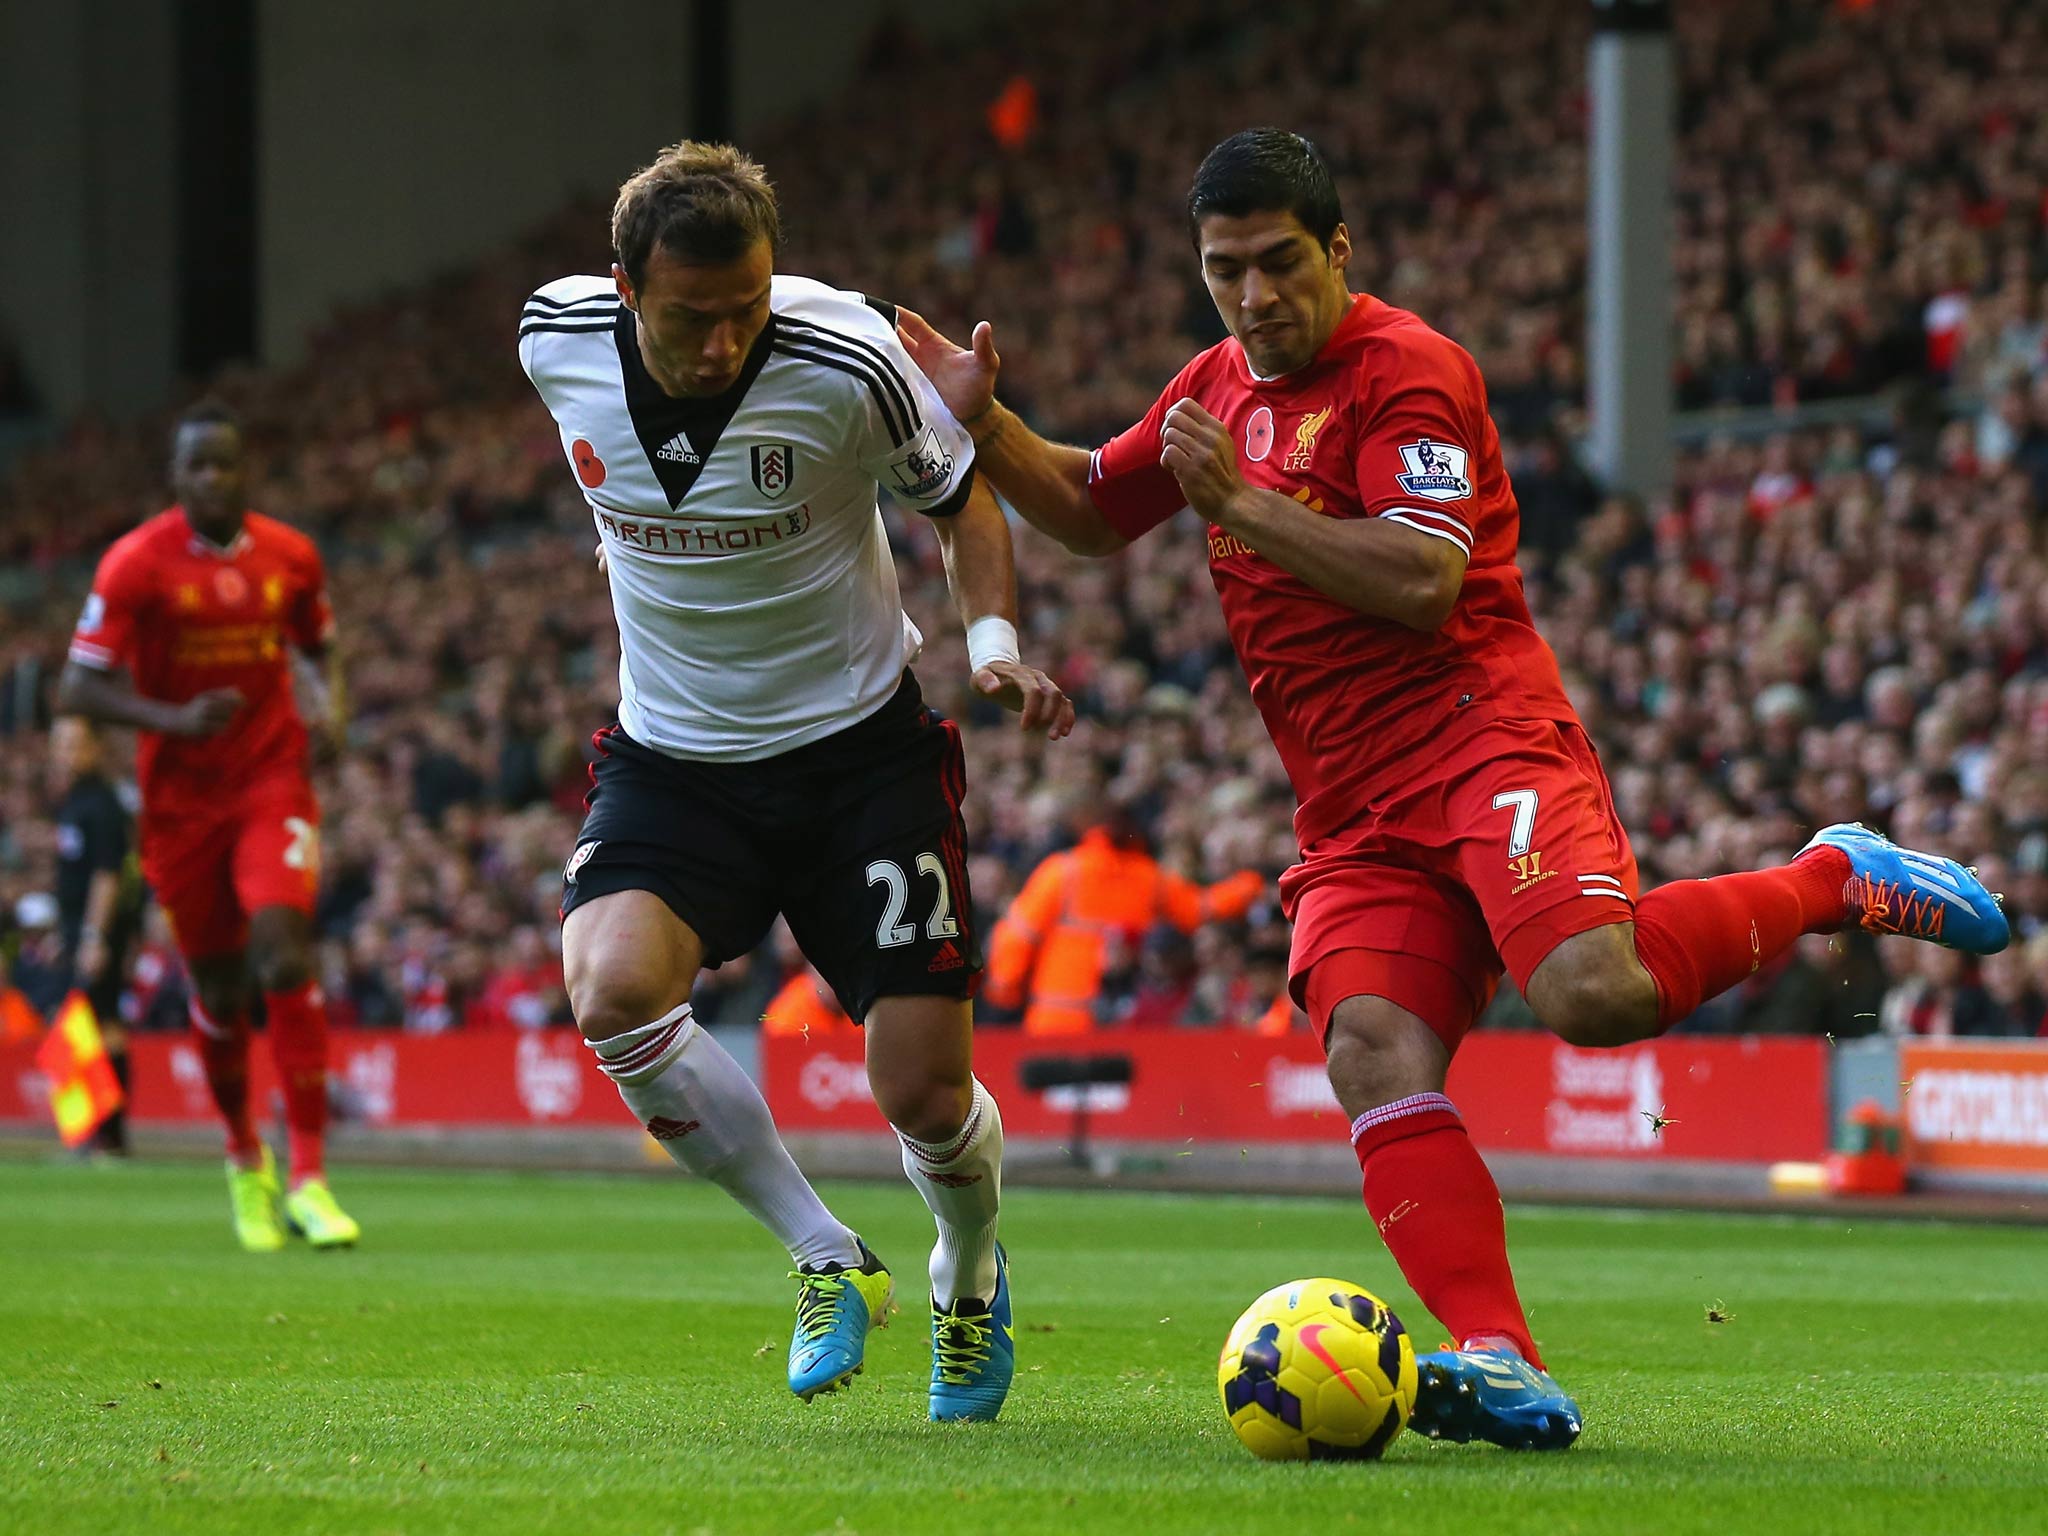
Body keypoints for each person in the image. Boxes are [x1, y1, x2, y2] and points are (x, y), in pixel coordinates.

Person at [897, 127, 2011, 1449]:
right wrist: (990, 425)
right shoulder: (1217, 383)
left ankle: (1833, 879)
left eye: (1276, 263)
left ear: (1339, 251)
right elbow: (1090, 507)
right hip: (1351, 810)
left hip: (1482, 739)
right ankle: (1503, 1355)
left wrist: (1245, 509)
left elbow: (1424, 581)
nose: (1253, 297)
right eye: (1223, 270)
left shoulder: (1408, 372)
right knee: (1370, 1051)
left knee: (1591, 996)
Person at [518, 141, 1074, 1422]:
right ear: (621, 289)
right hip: (676, 759)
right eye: (689, 318)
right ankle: (827, 1255)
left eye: (746, 311)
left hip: (858, 761)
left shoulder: (847, 359)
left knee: (922, 1096)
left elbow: (965, 503)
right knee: (610, 992)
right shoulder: (553, 341)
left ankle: (967, 1271)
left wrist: (991, 648)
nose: (722, 344)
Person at [59, 401, 358, 1252]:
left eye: (226, 466)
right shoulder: (134, 565)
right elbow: (79, 690)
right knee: (222, 992)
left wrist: (329, 710)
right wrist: (171, 717)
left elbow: (320, 643)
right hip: (181, 804)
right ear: (176, 477)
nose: (213, 480)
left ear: (244, 472)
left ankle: (310, 1177)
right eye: (198, 467)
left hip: (272, 779)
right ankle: (242, 1158)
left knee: (284, 951)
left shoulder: (290, 555)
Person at [983, 808, 1263, 1033]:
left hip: (1057, 1018)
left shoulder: (1063, 871)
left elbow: (1016, 936)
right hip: (1124, 1025)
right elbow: (1201, 908)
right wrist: (1251, 884)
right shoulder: (1149, 877)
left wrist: (1003, 993)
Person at [49, 716, 143, 1155]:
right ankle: (97, 1134)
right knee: (90, 1024)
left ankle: (108, 1135)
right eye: (60, 744)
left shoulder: (102, 804)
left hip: (97, 932)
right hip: (77, 930)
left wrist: (92, 936)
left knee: (101, 1026)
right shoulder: (74, 802)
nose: (65, 753)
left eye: (74, 744)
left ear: (94, 749)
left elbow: (106, 876)